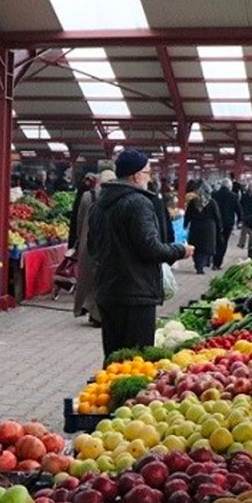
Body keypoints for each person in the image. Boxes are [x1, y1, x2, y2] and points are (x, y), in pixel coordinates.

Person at [89, 150, 192, 359]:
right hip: (136, 293)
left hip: (107, 290)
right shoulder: (138, 203)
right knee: (137, 360)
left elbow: (92, 247)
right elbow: (149, 248)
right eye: (147, 172)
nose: (149, 177)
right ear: (136, 175)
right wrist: (180, 250)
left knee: (114, 357)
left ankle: (110, 390)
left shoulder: (99, 204)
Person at [73, 170, 115, 325]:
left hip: (87, 242)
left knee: (89, 279)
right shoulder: (116, 198)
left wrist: (78, 239)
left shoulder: (87, 196)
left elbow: (79, 220)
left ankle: (91, 310)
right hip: (106, 243)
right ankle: (98, 314)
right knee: (101, 278)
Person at [184, 181, 221, 275]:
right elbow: (217, 216)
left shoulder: (193, 202)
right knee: (206, 249)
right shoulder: (212, 202)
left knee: (196, 247)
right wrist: (219, 227)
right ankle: (202, 265)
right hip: (209, 229)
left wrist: (185, 225)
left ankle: (198, 264)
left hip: (195, 227)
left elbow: (187, 215)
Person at [211, 178, 240, 270]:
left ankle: (214, 260)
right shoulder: (234, 196)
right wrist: (240, 220)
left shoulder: (214, 195)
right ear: (230, 187)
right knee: (224, 242)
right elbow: (238, 209)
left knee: (216, 241)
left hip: (215, 222)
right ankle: (218, 263)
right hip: (228, 222)